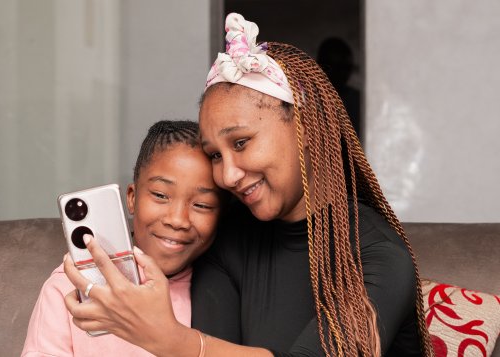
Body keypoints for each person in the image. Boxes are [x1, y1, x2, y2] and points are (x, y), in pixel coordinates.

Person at [63, 13, 433, 356]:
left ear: (305, 128)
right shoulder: (231, 238)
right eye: (216, 155)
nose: (227, 175)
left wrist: (169, 339)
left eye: (240, 143)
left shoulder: (379, 256)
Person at [21, 120, 224, 356]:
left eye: (202, 204)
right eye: (160, 195)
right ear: (131, 198)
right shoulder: (67, 286)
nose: (177, 219)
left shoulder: (219, 290)